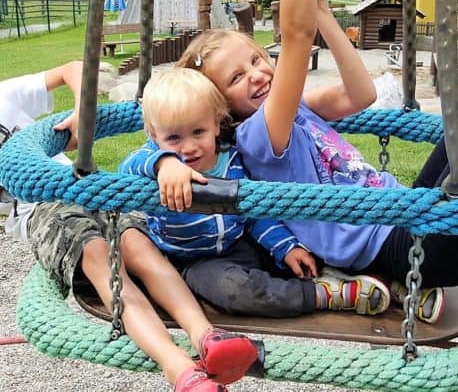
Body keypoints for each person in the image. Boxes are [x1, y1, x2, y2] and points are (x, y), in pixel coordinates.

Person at [175, 0, 458, 325]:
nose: (255, 74)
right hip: (413, 245)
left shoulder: (292, 110)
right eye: (236, 78)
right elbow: (295, 34)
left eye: (255, 60)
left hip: (404, 208)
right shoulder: (261, 136)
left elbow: (358, 94)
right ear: (222, 110)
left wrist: (324, 10)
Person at [0, 62, 260, 392]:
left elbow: (76, 67)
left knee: (138, 244)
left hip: (84, 183)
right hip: (40, 207)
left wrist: (84, 108)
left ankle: (207, 337)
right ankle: (179, 368)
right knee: (98, 255)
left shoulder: (5, 95)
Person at [118, 66, 390, 320]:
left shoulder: (232, 162)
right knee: (235, 290)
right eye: (174, 138)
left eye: (198, 132)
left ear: (215, 124)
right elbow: (126, 170)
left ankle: (361, 278)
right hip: (194, 259)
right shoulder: (155, 161)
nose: (188, 148)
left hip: (240, 243)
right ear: (155, 136)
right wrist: (163, 163)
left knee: (299, 248)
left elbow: (254, 214)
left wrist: (286, 247)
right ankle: (323, 294)